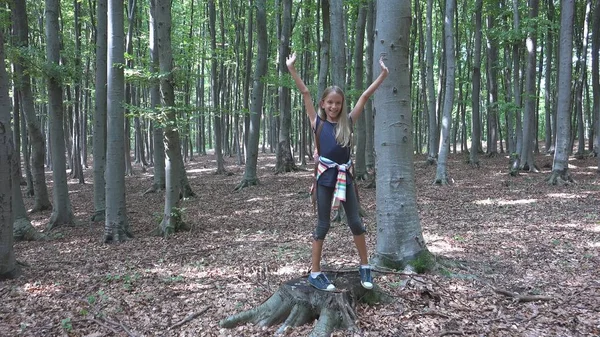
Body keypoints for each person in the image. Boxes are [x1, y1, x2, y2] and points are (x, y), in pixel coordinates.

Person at [286, 52, 389, 291]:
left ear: (342, 106)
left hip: (345, 177)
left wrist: (383, 75)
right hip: (325, 177)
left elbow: (365, 96)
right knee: (323, 224)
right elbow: (305, 93)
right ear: (323, 104)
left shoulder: (349, 122)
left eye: (338, 103)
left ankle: (365, 267)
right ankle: (315, 272)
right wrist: (292, 69)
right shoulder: (317, 123)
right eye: (329, 102)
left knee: (356, 222)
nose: (333, 106)